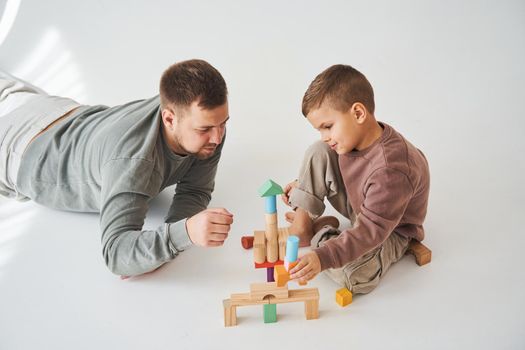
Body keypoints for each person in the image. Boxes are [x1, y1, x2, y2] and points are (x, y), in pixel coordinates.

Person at [0, 59, 233, 277]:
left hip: (55, 111)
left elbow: (195, 191)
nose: (217, 137)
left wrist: (159, 249)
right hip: (16, 149)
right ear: (169, 119)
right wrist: (185, 234)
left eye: (223, 123)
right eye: (205, 129)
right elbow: (116, 255)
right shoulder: (132, 162)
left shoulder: (194, 118)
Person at [282, 64, 430, 294]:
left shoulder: (391, 171)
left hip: (389, 230)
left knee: (352, 275)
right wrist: (304, 186)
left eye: (328, 127)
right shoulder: (352, 139)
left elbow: (371, 230)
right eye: (320, 129)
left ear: (358, 113)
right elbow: (332, 162)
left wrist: (323, 257)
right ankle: (303, 226)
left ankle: (326, 236)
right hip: (362, 203)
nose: (325, 137)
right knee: (318, 151)